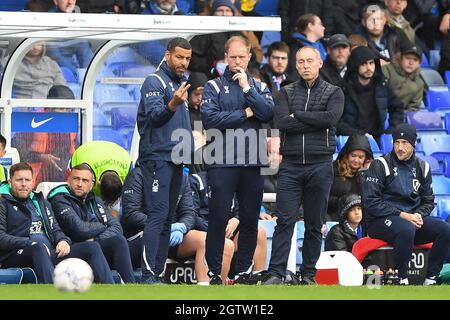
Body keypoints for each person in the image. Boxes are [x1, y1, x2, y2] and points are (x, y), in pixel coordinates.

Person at [263, 46, 344, 285]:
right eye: (301, 62)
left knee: (313, 224)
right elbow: (281, 123)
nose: (305, 65)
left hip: (321, 164)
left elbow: (330, 119)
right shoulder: (285, 92)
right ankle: (276, 273)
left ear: (319, 63)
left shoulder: (334, 91)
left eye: (310, 61)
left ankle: (309, 274)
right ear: (296, 66)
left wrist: (297, 115)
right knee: (284, 220)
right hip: (291, 166)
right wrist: (313, 119)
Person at [201, 35, 274, 284]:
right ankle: (213, 272)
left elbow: (267, 112)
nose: (237, 61)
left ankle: (244, 271)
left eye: (242, 56)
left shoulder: (259, 87)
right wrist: (244, 112)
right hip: (221, 162)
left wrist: (246, 89)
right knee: (218, 217)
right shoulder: (212, 86)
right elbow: (211, 120)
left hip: (252, 162)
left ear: (249, 57)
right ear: (225, 57)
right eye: (232, 57)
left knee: (250, 218)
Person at [362, 123, 450, 285]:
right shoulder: (380, 165)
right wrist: (404, 215)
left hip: (410, 220)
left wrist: (418, 215)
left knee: (445, 229)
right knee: (405, 227)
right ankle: (401, 278)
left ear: (413, 144)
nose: (400, 148)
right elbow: (371, 202)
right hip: (380, 221)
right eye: (396, 142)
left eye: (405, 143)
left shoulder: (423, 167)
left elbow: (428, 201)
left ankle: (431, 278)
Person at [136, 37, 193, 284]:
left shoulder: (181, 84)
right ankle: (148, 274)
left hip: (177, 159)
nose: (183, 62)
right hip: (157, 157)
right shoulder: (154, 81)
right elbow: (156, 116)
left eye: (187, 58)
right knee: (158, 214)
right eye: (179, 57)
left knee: (168, 217)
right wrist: (173, 103)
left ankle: (158, 273)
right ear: (168, 55)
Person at [0, 162, 115, 284]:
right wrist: (29, 243)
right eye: (19, 180)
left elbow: (55, 228)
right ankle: (52, 293)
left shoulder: (39, 202)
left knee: (92, 247)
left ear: (33, 182)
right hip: (16, 254)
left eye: (27, 180)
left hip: (48, 253)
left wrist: (63, 241)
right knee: (38, 248)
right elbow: (1, 237)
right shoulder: (3, 202)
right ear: (10, 181)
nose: (24, 184)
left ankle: (110, 290)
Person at [121, 166, 235, 284]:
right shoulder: (139, 174)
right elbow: (131, 213)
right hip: (142, 235)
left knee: (225, 244)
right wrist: (165, 227)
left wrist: (182, 227)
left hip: (173, 235)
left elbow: (189, 212)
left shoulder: (182, 177)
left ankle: (209, 293)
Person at [48, 164, 135, 283]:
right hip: (69, 249)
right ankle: (111, 291)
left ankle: (131, 288)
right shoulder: (60, 199)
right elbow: (79, 230)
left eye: (84, 180)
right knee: (92, 247)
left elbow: (117, 227)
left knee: (119, 240)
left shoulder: (95, 200)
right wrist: (102, 226)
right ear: (68, 180)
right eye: (76, 179)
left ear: (91, 185)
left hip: (93, 246)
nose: (79, 184)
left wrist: (95, 238)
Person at [14, 85, 78, 186]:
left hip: (62, 181)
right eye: (61, 108)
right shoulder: (32, 121)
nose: (65, 112)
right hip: (32, 182)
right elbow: (17, 151)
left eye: (68, 109)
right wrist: (41, 157)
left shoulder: (70, 123)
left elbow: (74, 151)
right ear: (49, 107)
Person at [336, 45, 404, 141]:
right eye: (363, 64)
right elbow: (336, 121)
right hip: (351, 140)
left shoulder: (381, 85)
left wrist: (391, 131)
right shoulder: (342, 89)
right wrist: (359, 134)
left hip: (378, 139)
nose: (369, 68)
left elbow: (397, 107)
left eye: (371, 63)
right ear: (355, 66)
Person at [67, 140, 133, 213]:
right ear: (98, 182)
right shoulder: (86, 171)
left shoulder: (128, 171)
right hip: (86, 152)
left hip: (117, 152)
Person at [327, 134, 374, 221]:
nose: (356, 160)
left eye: (360, 157)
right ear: (346, 154)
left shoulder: (370, 175)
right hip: (333, 217)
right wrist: (340, 201)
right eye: (353, 155)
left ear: (366, 158)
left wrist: (363, 174)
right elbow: (322, 198)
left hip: (360, 220)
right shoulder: (332, 170)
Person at [382, 45, 425, 112]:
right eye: (408, 58)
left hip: (400, 117)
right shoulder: (386, 70)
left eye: (415, 60)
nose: (411, 63)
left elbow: (414, 108)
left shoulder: (419, 83)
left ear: (419, 63)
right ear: (400, 58)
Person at [286, 14, 326, 81]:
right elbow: (294, 73)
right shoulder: (295, 47)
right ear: (310, 26)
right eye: (320, 24)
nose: (323, 27)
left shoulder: (323, 47)